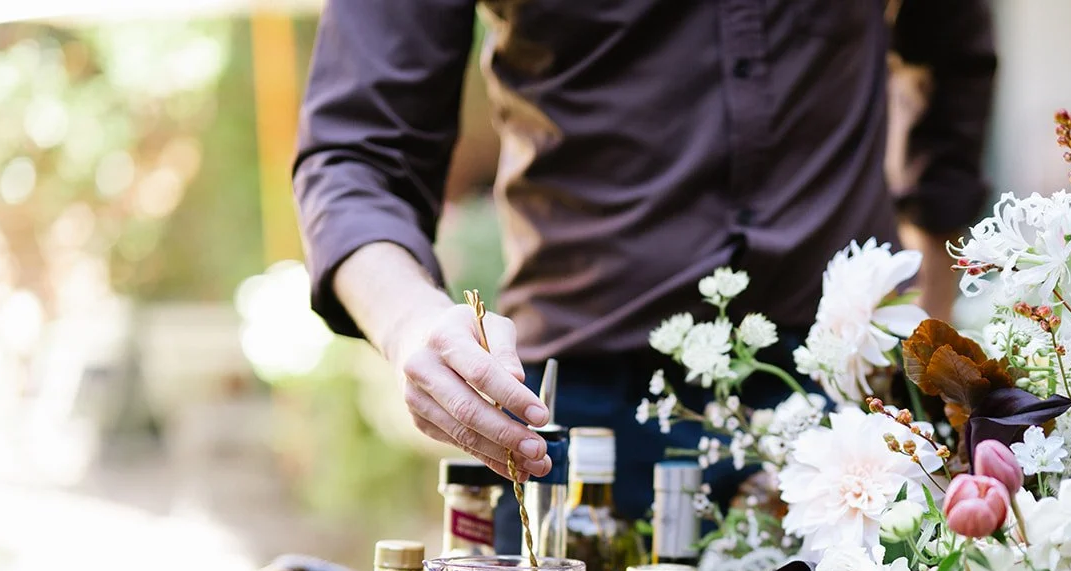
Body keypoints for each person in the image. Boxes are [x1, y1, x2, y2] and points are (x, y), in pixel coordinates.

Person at [294, 0, 996, 518]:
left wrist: (930, 322)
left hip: (846, 399)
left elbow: (950, 51)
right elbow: (355, 153)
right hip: (580, 422)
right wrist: (409, 321)